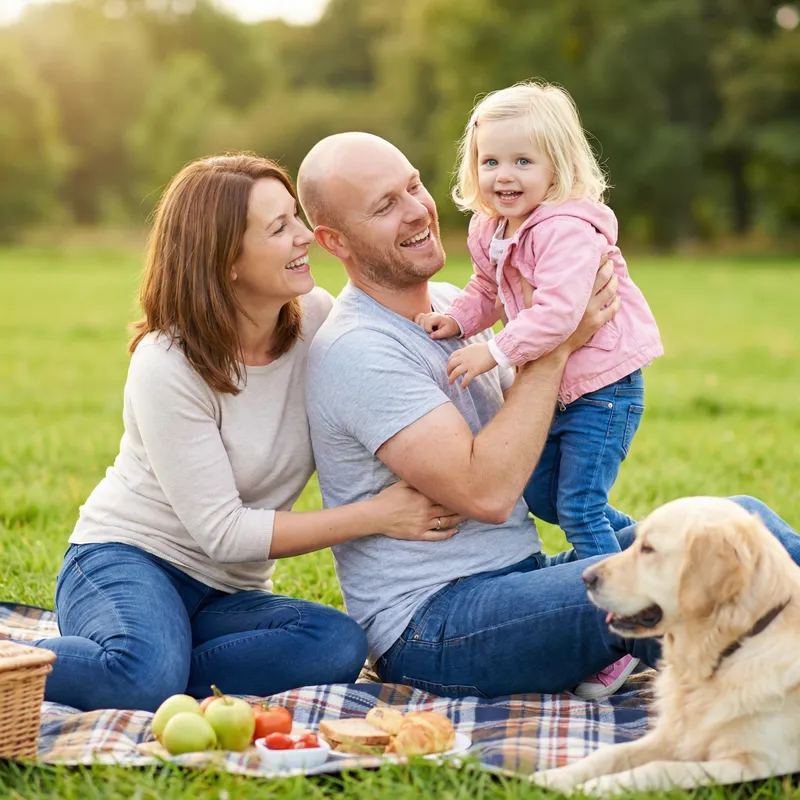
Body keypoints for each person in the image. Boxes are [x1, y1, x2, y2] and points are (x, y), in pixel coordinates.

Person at [298, 132, 800, 701]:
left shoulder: (448, 303)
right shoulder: (359, 347)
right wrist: (557, 341)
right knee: (687, 585)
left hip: (519, 578)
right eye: (385, 205)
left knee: (738, 526)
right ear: (333, 240)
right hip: (435, 626)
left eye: (413, 185)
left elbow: (530, 431)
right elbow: (487, 492)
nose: (417, 210)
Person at [22, 155, 461, 713]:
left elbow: (398, 361)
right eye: (280, 228)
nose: (306, 236)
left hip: (230, 593)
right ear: (225, 259)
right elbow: (224, 533)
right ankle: (70, 666)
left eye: (295, 218)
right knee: (137, 678)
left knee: (337, 643)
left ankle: (158, 665)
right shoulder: (168, 363)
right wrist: (379, 514)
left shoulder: (320, 323)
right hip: (130, 559)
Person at [414, 80, 664, 697]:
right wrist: (461, 320)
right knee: (545, 496)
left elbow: (558, 313)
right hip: (564, 386)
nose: (504, 175)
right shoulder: (490, 228)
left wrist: (494, 349)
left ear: (558, 166)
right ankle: (652, 551)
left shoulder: (565, 230)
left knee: (578, 504)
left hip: (605, 385)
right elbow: (486, 290)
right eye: (490, 160)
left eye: (523, 161)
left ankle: (628, 628)